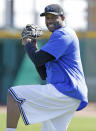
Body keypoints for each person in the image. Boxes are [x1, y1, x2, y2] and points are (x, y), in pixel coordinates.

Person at [6, 4, 88, 131]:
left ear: (63, 17)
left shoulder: (63, 34)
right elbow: (43, 73)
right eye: (47, 17)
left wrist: (27, 42)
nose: (49, 20)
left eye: (53, 17)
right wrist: (33, 46)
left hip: (66, 89)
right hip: (69, 93)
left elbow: (38, 59)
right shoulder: (56, 38)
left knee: (13, 94)